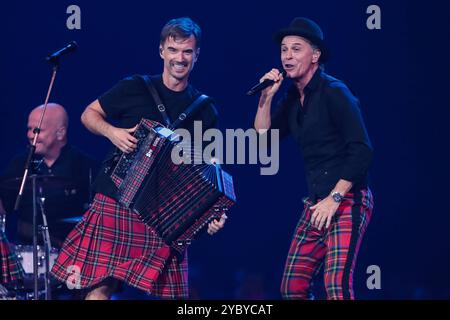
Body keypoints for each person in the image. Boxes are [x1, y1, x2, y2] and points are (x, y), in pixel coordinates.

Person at [50, 17, 227, 300]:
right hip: (117, 200)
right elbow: (88, 114)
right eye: (173, 50)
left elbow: (208, 171)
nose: (179, 59)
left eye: (186, 52)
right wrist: (113, 133)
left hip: (166, 214)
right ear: (161, 51)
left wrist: (213, 214)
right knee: (99, 285)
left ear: (196, 56)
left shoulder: (205, 110)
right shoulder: (135, 87)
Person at [254, 17, 374, 300]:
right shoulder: (293, 100)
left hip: (347, 198)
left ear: (315, 55)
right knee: (292, 287)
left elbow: (362, 150)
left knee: (336, 285)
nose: (287, 56)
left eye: (296, 49)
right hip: (317, 202)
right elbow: (262, 138)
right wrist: (266, 99)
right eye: (284, 49)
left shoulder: (335, 92)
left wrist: (334, 198)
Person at [0, 103, 98, 248]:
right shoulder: (20, 164)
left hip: (72, 252)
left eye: (37, 130)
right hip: (26, 252)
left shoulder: (85, 166)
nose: (30, 135)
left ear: (60, 133)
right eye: (28, 129)